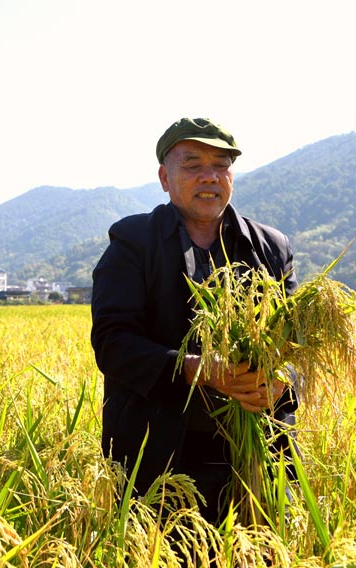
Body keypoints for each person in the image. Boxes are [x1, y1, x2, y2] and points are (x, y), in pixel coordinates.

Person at [90, 117, 298, 523]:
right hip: (160, 463)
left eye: (221, 165)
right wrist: (199, 370)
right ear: (165, 178)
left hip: (255, 459)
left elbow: (297, 346)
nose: (210, 176)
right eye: (193, 165)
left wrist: (279, 380)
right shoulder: (133, 243)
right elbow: (113, 344)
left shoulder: (271, 248)